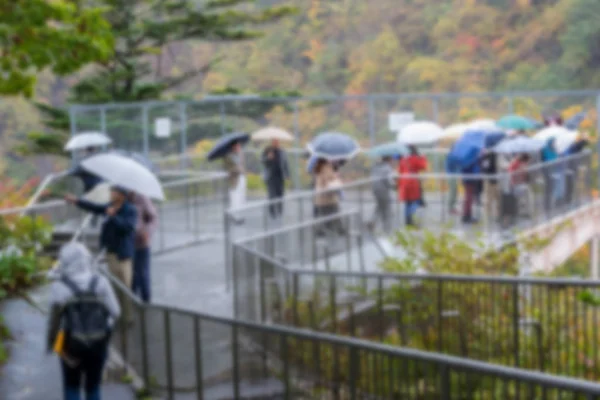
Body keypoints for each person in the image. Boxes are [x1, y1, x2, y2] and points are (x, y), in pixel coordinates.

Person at [47, 242, 120, 400]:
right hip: (98, 342)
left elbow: (54, 321)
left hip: (70, 345)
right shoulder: (100, 282)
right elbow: (116, 312)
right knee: (93, 386)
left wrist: (52, 343)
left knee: (71, 385)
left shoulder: (59, 287)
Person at [65, 185, 137, 319]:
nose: (111, 194)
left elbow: (127, 228)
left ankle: (128, 317)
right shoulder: (109, 206)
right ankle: (117, 315)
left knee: (126, 287)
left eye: (114, 192)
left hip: (123, 256)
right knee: (115, 287)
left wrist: (113, 216)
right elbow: (94, 207)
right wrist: (76, 200)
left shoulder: (131, 210)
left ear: (121, 195)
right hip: (110, 253)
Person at [130, 193, 157, 303]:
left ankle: (146, 301)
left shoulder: (142, 198)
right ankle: (132, 300)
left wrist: (147, 232)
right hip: (128, 242)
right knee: (133, 275)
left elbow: (153, 218)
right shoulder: (122, 198)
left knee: (142, 272)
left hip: (142, 242)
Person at [397, 146, 427, 226]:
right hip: (412, 182)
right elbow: (423, 166)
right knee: (415, 201)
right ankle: (411, 218)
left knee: (407, 202)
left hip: (404, 182)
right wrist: (423, 157)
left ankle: (407, 220)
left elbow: (400, 171)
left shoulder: (403, 159)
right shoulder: (414, 158)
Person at [314, 158, 344, 235]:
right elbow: (328, 180)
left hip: (322, 197)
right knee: (334, 213)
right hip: (327, 196)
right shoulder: (326, 168)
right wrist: (336, 177)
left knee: (325, 215)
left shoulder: (319, 167)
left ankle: (322, 230)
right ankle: (339, 230)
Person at [262, 139, 289, 219]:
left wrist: (287, 174)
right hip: (270, 177)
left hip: (280, 176)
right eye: (274, 142)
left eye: (277, 142)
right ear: (272, 142)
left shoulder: (282, 151)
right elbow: (262, 160)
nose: (276, 143)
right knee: (272, 195)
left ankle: (280, 211)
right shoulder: (267, 150)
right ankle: (272, 212)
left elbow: (285, 163)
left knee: (280, 194)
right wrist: (268, 158)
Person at [368, 156, 395, 233]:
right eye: (392, 159)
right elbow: (388, 180)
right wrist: (394, 186)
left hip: (375, 189)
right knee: (386, 209)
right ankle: (387, 229)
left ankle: (372, 221)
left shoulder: (375, 166)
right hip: (383, 190)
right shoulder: (387, 168)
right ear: (389, 159)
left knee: (379, 206)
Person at [224, 142, 246, 224]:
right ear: (233, 146)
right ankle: (235, 217)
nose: (238, 147)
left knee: (241, 198)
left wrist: (241, 170)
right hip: (234, 180)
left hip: (241, 178)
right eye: (236, 145)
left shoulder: (240, 154)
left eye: (239, 145)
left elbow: (242, 165)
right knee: (235, 198)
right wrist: (236, 169)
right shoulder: (228, 156)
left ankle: (240, 215)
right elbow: (227, 169)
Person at [479, 149, 499, 225]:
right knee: (490, 199)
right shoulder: (488, 156)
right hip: (490, 181)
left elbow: (484, 168)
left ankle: (493, 215)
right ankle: (489, 216)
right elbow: (485, 167)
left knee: (495, 198)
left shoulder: (489, 156)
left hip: (492, 180)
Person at [445, 150, 461, 215]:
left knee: (455, 191)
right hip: (451, 176)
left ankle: (452, 207)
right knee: (453, 192)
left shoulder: (452, 156)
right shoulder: (451, 156)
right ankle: (451, 208)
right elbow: (453, 165)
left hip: (453, 175)